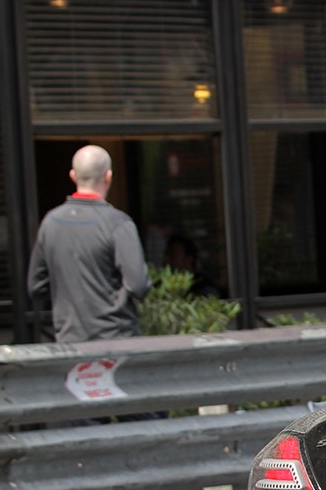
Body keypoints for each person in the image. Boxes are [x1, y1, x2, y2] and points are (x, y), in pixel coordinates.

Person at [27, 144, 151, 343]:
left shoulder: (51, 223)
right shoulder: (118, 223)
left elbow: (36, 286)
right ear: (108, 176)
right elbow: (138, 285)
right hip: (116, 340)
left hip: (70, 340)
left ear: (73, 176)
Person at [163, 234, 220, 298]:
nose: (167, 260)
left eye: (173, 255)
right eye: (166, 255)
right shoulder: (162, 286)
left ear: (188, 260)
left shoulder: (204, 287)